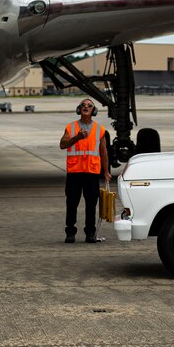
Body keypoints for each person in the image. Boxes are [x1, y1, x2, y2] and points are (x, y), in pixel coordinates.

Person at [59, 98, 111, 243]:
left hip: (91, 173)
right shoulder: (71, 127)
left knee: (91, 204)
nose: (86, 106)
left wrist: (106, 171)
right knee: (72, 203)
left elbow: (104, 152)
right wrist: (77, 137)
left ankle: (90, 233)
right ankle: (70, 232)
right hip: (75, 173)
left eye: (89, 105)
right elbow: (62, 145)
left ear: (93, 110)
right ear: (79, 109)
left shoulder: (100, 130)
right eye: (83, 105)